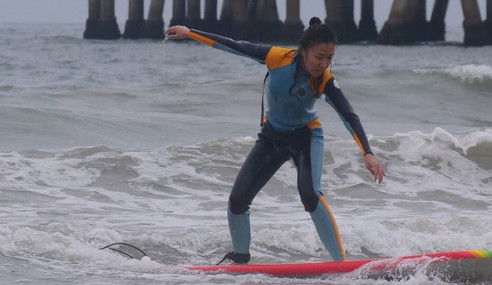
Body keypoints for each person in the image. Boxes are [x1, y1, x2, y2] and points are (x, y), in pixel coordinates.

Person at [165, 18, 385, 263]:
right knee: (237, 200)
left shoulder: (324, 80)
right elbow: (233, 45)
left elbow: (349, 116)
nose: (323, 64)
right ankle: (240, 260)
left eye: (329, 58)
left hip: (306, 137)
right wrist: (190, 33)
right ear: (302, 50)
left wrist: (367, 151)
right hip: (272, 136)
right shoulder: (276, 57)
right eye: (319, 57)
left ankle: (341, 264)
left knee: (310, 194)